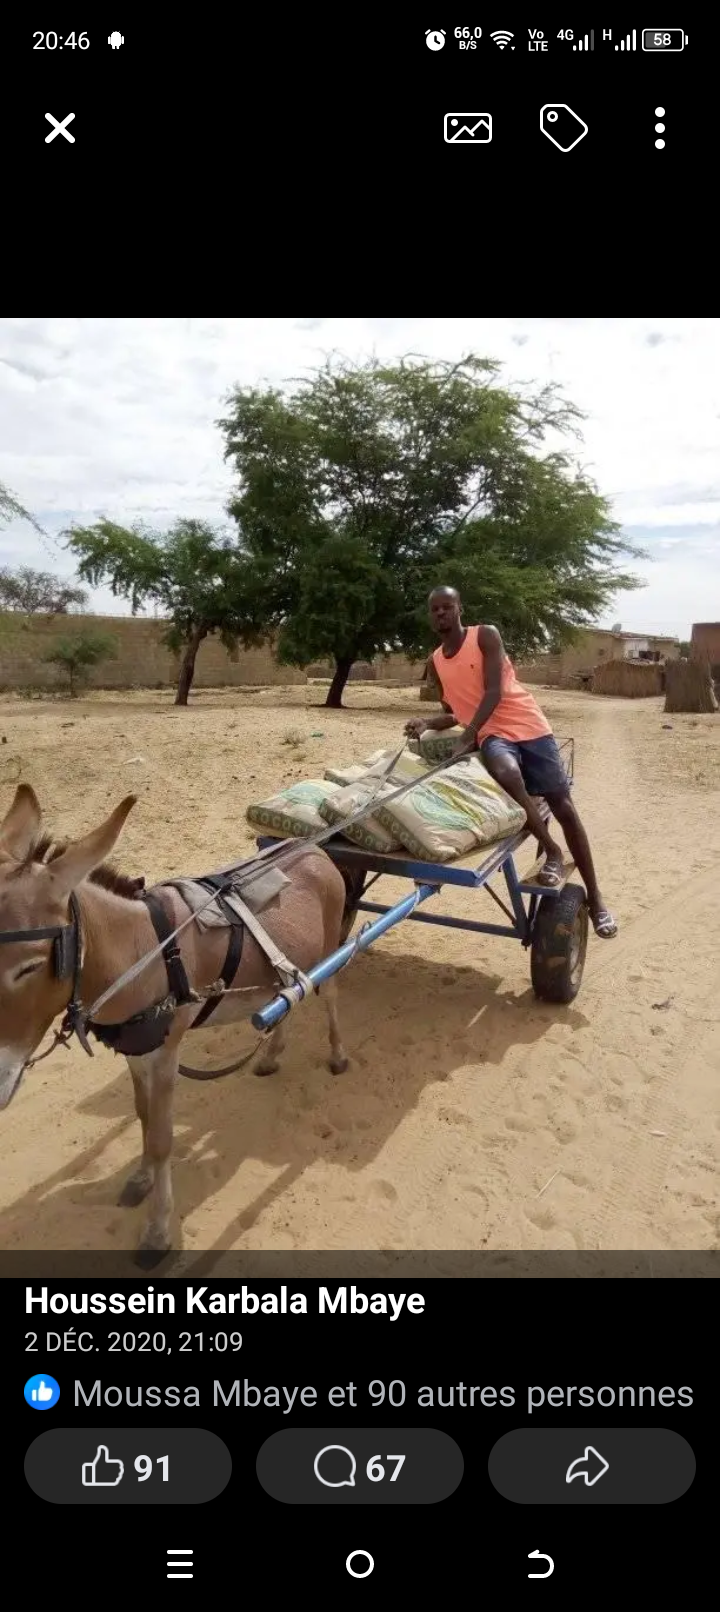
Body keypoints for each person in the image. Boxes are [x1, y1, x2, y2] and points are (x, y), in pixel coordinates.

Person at [405, 586, 617, 938]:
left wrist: (468, 735)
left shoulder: (485, 636)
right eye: (435, 609)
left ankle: (596, 899)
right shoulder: (436, 661)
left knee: (563, 804)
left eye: (447, 607)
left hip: (527, 724)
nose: (441, 613)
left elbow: (493, 692)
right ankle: (551, 850)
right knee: (505, 771)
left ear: (460, 609)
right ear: (430, 616)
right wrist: (426, 723)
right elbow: (455, 712)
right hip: (493, 735)